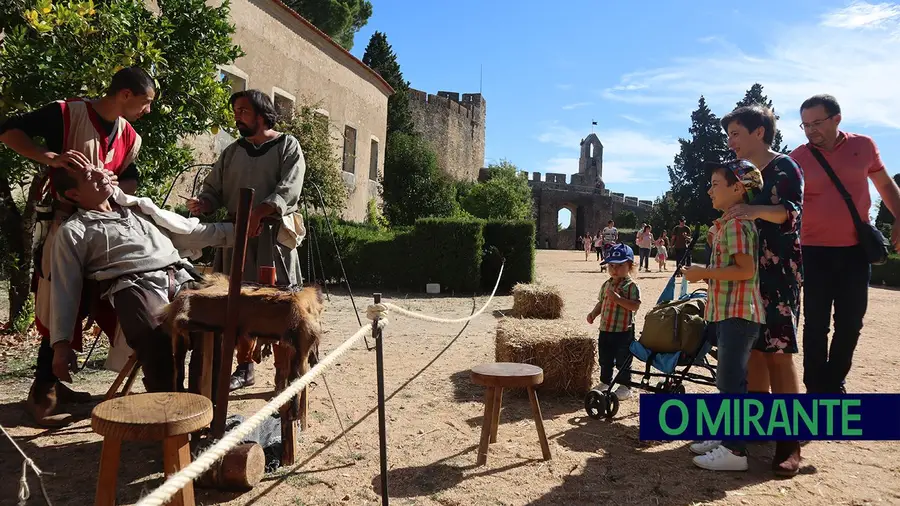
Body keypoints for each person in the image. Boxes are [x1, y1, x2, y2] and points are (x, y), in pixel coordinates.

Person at [0, 67, 155, 427]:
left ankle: (55, 383)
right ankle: (42, 393)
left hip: (104, 234)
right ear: (125, 94)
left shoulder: (130, 136)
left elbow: (130, 178)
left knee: (89, 303)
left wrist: (115, 189)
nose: (147, 111)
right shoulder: (67, 113)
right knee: (60, 303)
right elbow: (8, 132)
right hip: (63, 224)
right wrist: (48, 157)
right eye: (145, 103)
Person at [48, 168, 234, 393]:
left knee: (220, 319)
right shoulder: (74, 231)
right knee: (156, 339)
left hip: (181, 275)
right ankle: (169, 408)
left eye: (100, 172)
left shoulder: (140, 210)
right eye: (90, 177)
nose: (102, 176)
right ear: (74, 194)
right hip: (134, 286)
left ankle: (206, 404)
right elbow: (64, 288)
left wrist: (239, 228)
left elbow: (191, 232)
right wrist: (61, 344)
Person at [188, 89, 307, 391]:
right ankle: (245, 367)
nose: (237, 117)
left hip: (271, 238)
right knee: (235, 303)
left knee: (278, 302)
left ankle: (287, 372)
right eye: (236, 111)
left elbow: (289, 187)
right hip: (235, 238)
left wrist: (260, 211)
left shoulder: (287, 145)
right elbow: (213, 188)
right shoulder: (232, 151)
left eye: (243, 111)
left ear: (261, 113)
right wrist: (204, 203)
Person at [789, 94, 900, 395]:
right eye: (805, 125)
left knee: (851, 323)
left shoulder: (863, 147)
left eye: (817, 123)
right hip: (813, 251)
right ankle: (815, 389)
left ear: (836, 118)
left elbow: (885, 185)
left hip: (855, 252)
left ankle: (834, 381)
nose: (811, 130)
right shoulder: (798, 158)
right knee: (815, 326)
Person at [719, 104, 805, 476]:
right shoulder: (742, 172)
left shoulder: (784, 166)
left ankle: (790, 444)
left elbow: (790, 212)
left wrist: (752, 211)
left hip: (778, 273)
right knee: (753, 351)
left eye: (736, 133)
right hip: (748, 273)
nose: (730, 141)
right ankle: (755, 428)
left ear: (759, 132)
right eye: (728, 135)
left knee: (779, 354)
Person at [683, 160, 765, 472]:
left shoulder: (737, 225)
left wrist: (704, 272)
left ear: (737, 188)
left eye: (716, 184)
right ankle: (725, 436)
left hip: (738, 313)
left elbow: (746, 270)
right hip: (731, 312)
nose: (709, 190)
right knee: (727, 380)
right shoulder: (728, 225)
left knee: (731, 383)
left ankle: (735, 451)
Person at [586, 243, 641, 401]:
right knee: (605, 358)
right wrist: (593, 314)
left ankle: (625, 386)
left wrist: (618, 299)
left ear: (630, 266)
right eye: (611, 265)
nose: (614, 269)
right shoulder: (606, 285)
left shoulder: (631, 286)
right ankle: (605, 382)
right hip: (606, 329)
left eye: (620, 265)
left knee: (623, 360)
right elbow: (601, 303)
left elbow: (635, 305)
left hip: (623, 330)